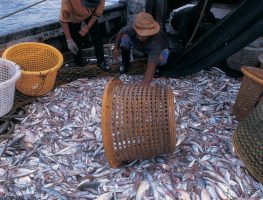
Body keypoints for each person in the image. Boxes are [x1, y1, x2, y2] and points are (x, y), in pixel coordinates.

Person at [112, 12, 170, 87]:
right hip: (142, 46)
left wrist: (145, 84)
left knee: (160, 60)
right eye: (141, 34)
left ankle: (157, 68)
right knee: (125, 38)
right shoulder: (131, 29)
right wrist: (116, 48)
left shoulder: (157, 39)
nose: (144, 36)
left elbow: (151, 64)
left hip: (161, 50)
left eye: (146, 35)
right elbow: (120, 32)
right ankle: (125, 63)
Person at [59, 0, 111, 71]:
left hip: (91, 15)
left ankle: (101, 62)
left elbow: (97, 13)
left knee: (97, 36)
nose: (89, 6)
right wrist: (69, 40)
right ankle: (79, 65)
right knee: (75, 40)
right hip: (74, 16)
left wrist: (88, 27)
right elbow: (63, 20)